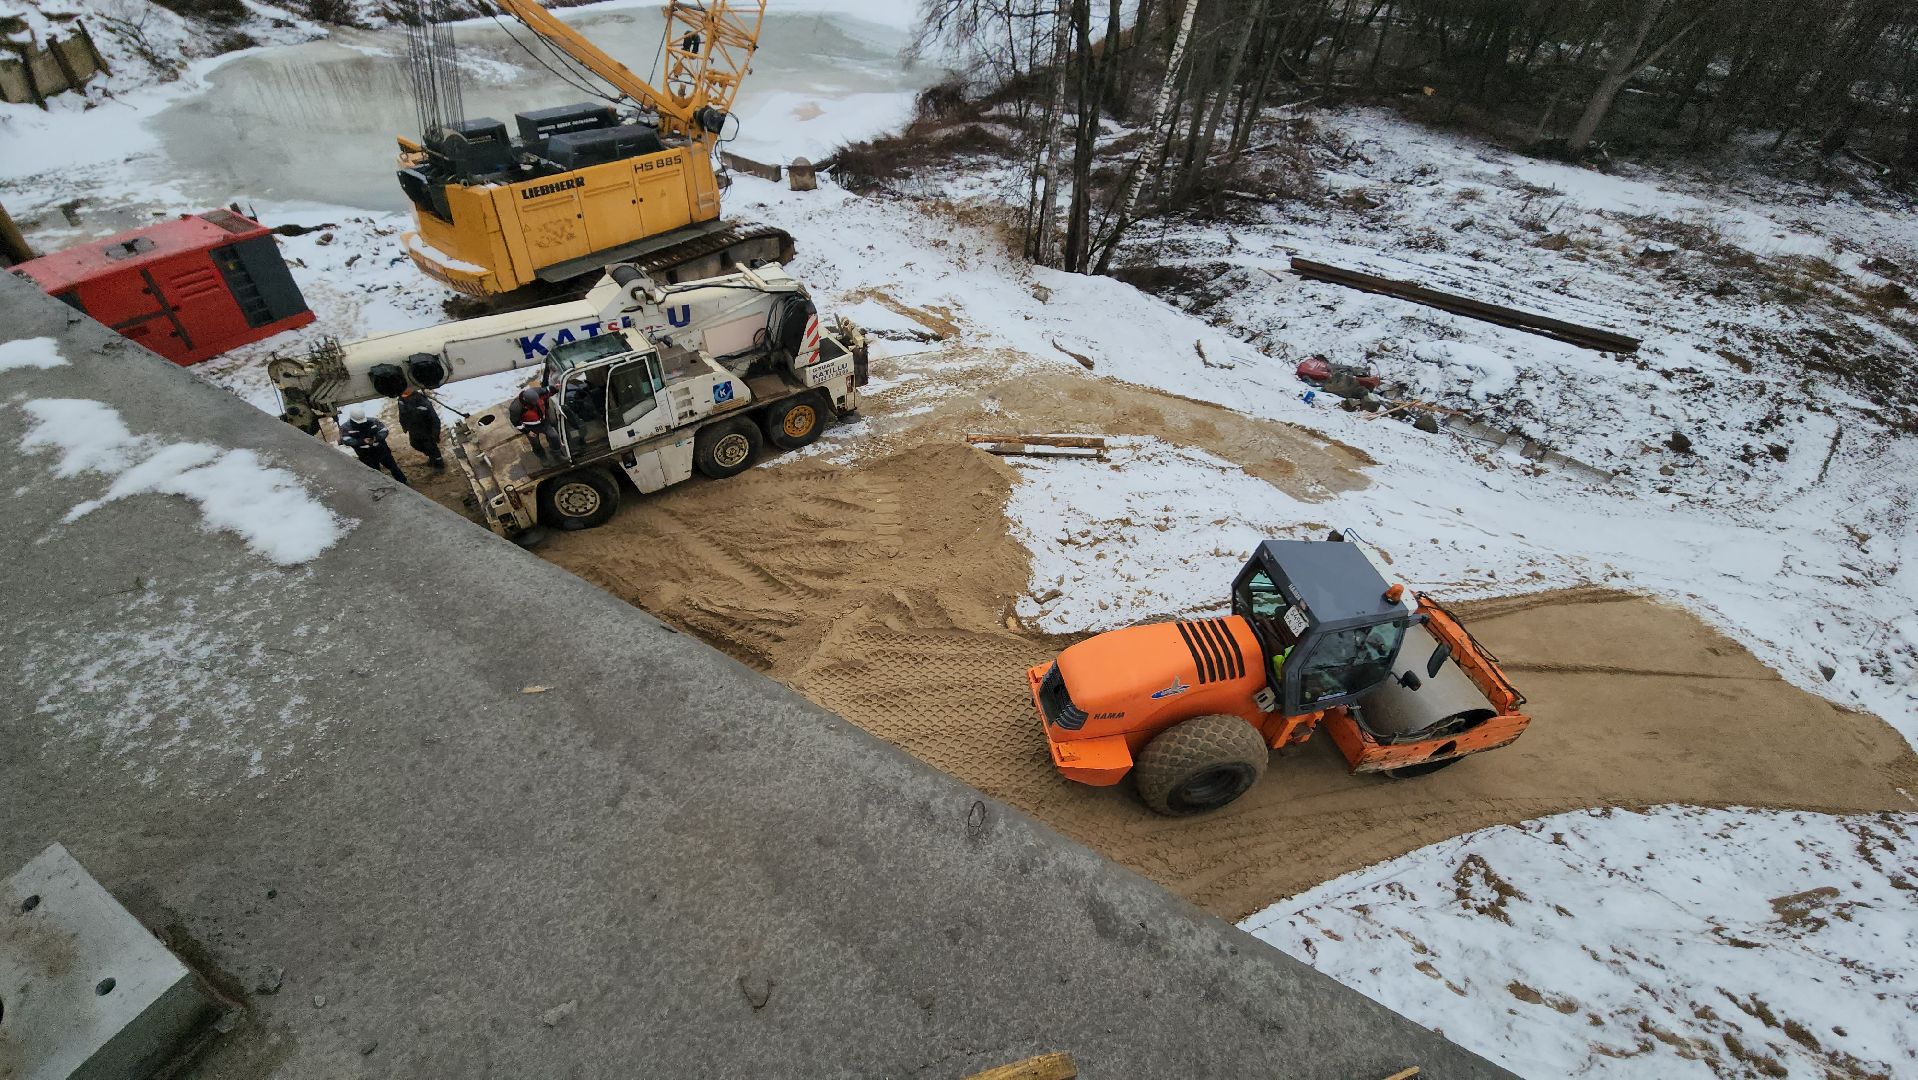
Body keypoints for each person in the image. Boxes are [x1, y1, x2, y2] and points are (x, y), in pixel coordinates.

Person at [338, 409, 409, 485]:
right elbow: (347, 440)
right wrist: (362, 441)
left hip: (381, 450)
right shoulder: (346, 427)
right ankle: (381, 486)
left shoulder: (373, 421)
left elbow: (384, 431)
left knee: (393, 466)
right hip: (366, 455)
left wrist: (376, 438)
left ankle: (403, 482)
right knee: (374, 473)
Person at [396, 387, 444, 470]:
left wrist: (435, 434)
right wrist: (404, 426)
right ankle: (431, 457)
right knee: (415, 444)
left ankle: (439, 464)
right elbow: (402, 414)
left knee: (431, 447)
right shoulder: (401, 399)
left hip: (425, 429)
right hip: (413, 428)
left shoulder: (422, 400)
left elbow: (434, 418)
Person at [514, 386, 557, 460]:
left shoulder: (538, 392)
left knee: (553, 436)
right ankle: (542, 458)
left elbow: (548, 390)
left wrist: (555, 389)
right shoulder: (516, 408)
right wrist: (527, 432)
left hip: (544, 422)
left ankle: (557, 452)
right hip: (530, 428)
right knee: (535, 444)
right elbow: (516, 423)